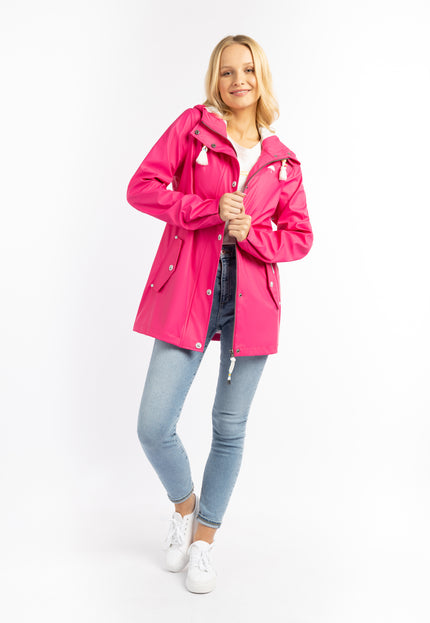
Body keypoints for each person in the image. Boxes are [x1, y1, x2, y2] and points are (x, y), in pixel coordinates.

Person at [126, 34, 313, 593]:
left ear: (261, 77)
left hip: (252, 298)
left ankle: (204, 542)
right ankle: (185, 507)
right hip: (189, 285)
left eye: (248, 70)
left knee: (229, 428)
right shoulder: (194, 127)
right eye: (227, 72)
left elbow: (300, 237)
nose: (238, 81)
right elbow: (142, 187)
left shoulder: (283, 160)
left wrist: (253, 234)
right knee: (154, 426)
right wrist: (207, 209)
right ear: (216, 79)